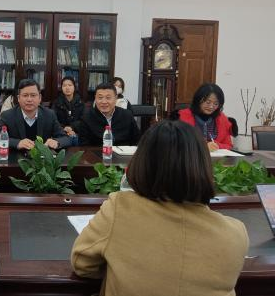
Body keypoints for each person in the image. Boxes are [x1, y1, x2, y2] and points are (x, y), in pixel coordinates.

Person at [71, 120, 249, 296]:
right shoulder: (235, 234)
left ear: (142, 162)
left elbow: (82, 264)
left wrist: (122, 268)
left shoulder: (120, 208)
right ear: (204, 165)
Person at [0, 78, 71, 151]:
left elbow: (66, 138)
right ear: (19, 98)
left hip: (42, 161)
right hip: (16, 159)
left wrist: (56, 142)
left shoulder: (49, 115)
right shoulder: (8, 116)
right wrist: (17, 143)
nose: (29, 99)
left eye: (33, 95)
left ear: (40, 98)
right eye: (25, 95)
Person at [176, 83, 234, 151]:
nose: (211, 107)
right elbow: (177, 142)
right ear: (198, 100)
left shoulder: (222, 119)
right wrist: (203, 146)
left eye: (216, 104)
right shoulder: (182, 116)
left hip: (216, 157)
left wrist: (216, 145)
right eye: (208, 102)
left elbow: (228, 145)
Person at [50, 76, 84, 145]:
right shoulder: (56, 103)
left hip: (76, 132)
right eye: (64, 85)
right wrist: (64, 129)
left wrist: (72, 128)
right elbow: (53, 120)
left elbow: (83, 120)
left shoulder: (81, 103)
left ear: (74, 87)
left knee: (76, 139)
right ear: (61, 88)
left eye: (70, 85)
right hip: (60, 133)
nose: (67, 88)